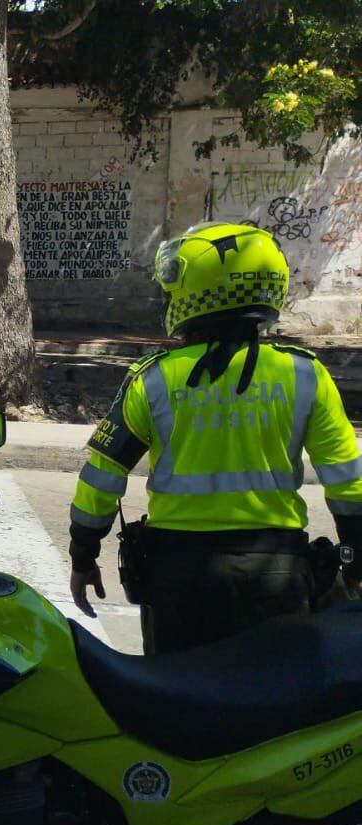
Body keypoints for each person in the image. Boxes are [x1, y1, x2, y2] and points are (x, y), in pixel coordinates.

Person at [68, 222, 362, 654]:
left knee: (181, 705)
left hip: (180, 577)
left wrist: (82, 555)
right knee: (278, 710)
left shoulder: (154, 378)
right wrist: (355, 558)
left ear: (196, 294)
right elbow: (348, 482)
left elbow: (102, 478)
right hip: (278, 572)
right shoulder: (305, 374)